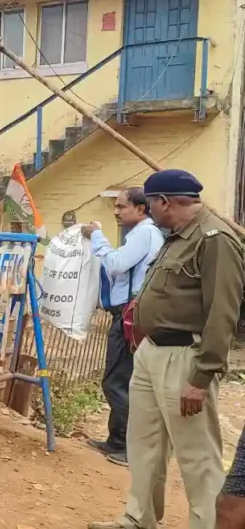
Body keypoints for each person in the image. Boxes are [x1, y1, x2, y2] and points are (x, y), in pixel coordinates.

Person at [89, 169, 245, 529]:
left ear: (164, 202)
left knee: (197, 455)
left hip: (184, 358)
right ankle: (138, 516)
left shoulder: (214, 240)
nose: (147, 210)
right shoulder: (175, 237)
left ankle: (207, 524)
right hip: (151, 353)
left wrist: (202, 376)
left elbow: (222, 314)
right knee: (144, 444)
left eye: (150, 203)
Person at [81, 188, 163, 467]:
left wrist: (97, 237)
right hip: (131, 313)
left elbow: (116, 264)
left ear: (140, 209)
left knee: (116, 381)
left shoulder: (143, 233)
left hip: (130, 314)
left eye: (121, 206)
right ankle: (117, 442)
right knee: (124, 380)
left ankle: (128, 449)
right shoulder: (146, 233)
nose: (116, 212)